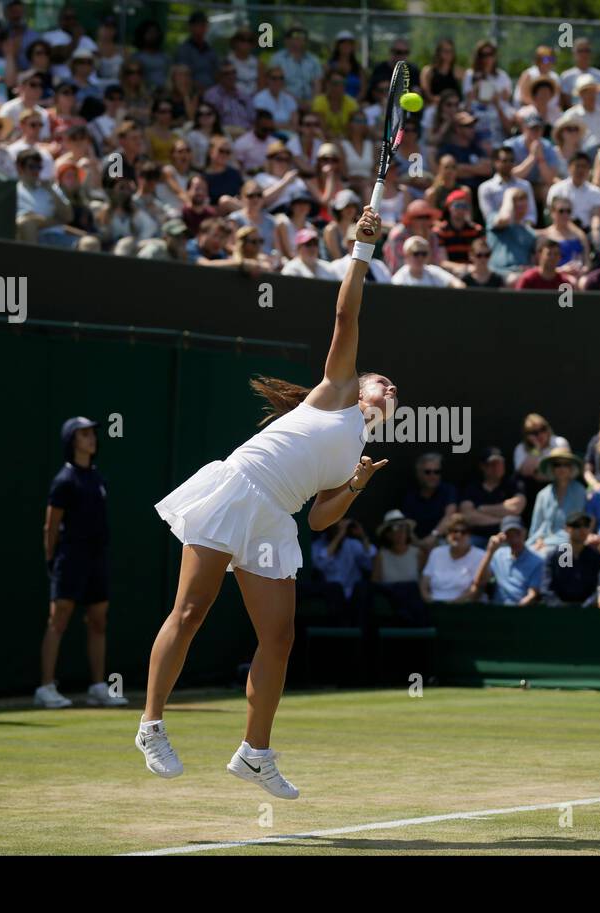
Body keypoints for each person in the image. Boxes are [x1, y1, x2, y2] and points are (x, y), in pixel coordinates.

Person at [136, 207, 393, 796]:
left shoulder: (356, 450)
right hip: (238, 489)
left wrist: (356, 484)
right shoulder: (336, 394)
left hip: (276, 517)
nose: (389, 388)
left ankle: (255, 752)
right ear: (359, 385)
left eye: (393, 390)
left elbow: (320, 518)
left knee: (279, 637)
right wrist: (361, 250)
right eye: (383, 380)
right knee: (191, 610)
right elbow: (345, 312)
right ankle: (151, 724)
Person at [32, 418, 126, 709]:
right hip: (70, 557)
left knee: (98, 620)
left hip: (97, 557)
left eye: (93, 434)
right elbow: (50, 525)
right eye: (85, 434)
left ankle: (98, 686)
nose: (92, 439)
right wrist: (52, 559)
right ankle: (45, 687)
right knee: (58, 620)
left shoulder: (98, 477)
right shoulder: (64, 480)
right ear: (72, 441)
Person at [472, 516, 543, 606]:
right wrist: (490, 552)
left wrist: (514, 613)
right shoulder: (497, 555)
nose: (514, 539)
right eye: (509, 535)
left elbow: (532, 595)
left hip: (522, 613)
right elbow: (479, 582)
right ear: (503, 537)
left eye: (517, 533)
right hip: (496, 610)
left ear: (524, 533)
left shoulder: (537, 562)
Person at [527, 448, 587, 555]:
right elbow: (535, 528)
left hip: (569, 543)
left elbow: (578, 525)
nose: (561, 468)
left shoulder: (580, 491)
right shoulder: (542, 495)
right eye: (557, 464)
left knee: (558, 561)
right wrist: (539, 540)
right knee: (527, 558)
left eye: (566, 464)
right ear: (552, 468)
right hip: (543, 543)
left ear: (571, 468)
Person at [541, 513, 600, 606]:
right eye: (577, 526)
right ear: (567, 529)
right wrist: (560, 607)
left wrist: (587, 606)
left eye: (586, 526)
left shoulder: (596, 557)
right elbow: (546, 588)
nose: (582, 530)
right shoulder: (555, 556)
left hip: (589, 613)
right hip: (559, 613)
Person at [420, 513, 484, 603]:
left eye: (463, 532)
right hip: (434, 606)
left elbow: (476, 588)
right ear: (447, 534)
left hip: (463, 608)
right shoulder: (436, 553)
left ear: (469, 534)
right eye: (453, 531)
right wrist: (428, 599)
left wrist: (453, 604)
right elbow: (424, 583)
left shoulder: (480, 556)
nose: (458, 535)